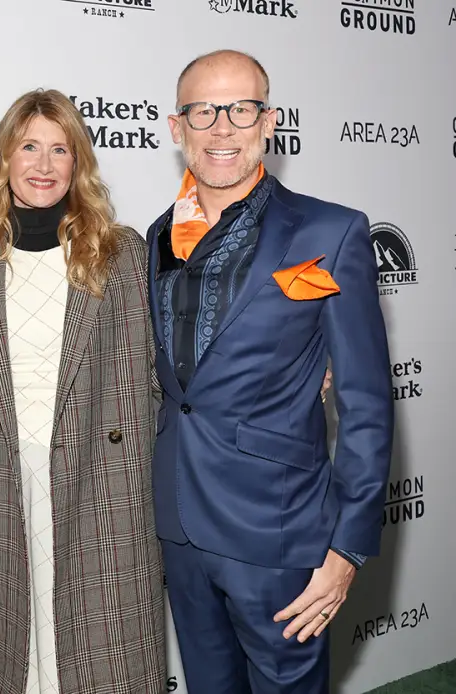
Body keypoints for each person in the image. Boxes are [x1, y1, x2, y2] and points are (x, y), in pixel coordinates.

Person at [147, 49, 393, 693]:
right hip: (177, 525)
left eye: (240, 109)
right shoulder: (154, 238)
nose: (221, 128)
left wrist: (346, 551)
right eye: (203, 111)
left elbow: (367, 404)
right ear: (177, 128)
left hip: (280, 533)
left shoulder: (331, 232)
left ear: (268, 121)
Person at [0, 88, 166, 694]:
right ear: (4, 160)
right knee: (13, 648)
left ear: (78, 162)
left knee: (101, 649)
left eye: (59, 149)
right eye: (28, 147)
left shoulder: (121, 254)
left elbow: (158, 370)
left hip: (99, 478)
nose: (43, 165)